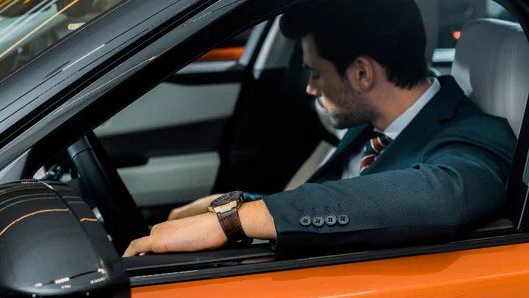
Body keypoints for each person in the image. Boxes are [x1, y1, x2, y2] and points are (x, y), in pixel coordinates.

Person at [124, 0, 516, 257]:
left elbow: (439, 198)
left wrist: (232, 222)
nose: (310, 87)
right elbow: (343, 196)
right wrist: (231, 203)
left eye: (315, 73)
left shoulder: (477, 137)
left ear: (362, 73)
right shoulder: (374, 122)